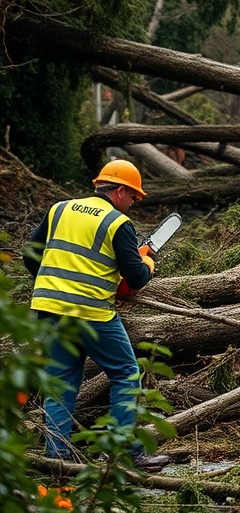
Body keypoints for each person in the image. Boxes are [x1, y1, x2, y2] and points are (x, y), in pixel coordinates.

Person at [21, 159, 171, 471]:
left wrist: (58, 281)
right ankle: (123, 451)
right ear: (119, 191)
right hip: (91, 312)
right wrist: (148, 263)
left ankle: (57, 459)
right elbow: (137, 278)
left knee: (61, 382)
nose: (132, 204)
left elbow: (31, 257)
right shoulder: (118, 224)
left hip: (49, 308)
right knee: (127, 373)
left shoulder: (59, 209)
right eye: (133, 197)